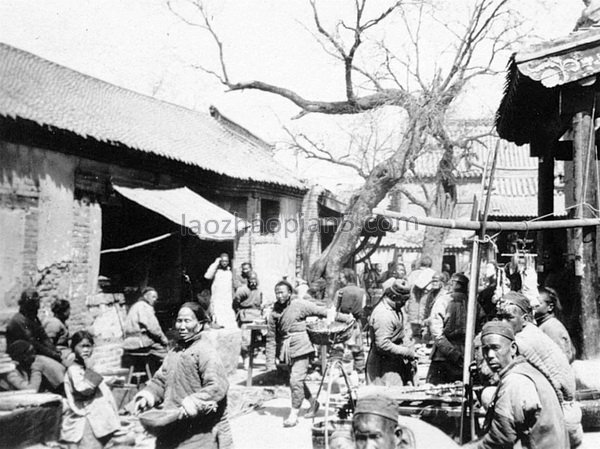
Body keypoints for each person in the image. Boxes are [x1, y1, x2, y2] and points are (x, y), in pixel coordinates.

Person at [133, 302, 232, 449]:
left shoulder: (205, 351)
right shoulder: (174, 352)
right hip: (171, 426)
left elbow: (217, 386)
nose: (182, 326)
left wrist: (194, 402)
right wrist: (148, 396)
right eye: (179, 321)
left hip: (198, 431)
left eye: (188, 321)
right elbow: (160, 381)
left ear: (200, 324)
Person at [466, 321, 568, 449]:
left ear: (513, 348)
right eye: (486, 349)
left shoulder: (514, 381)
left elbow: (500, 439)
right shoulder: (526, 369)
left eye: (496, 348)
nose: (490, 355)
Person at [498, 291, 582, 448]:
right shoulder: (532, 331)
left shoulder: (521, 341)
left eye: (508, 318)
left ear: (523, 319)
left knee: (494, 396)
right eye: (499, 317)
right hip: (568, 415)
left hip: (558, 420)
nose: (503, 323)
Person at [265, 280, 353, 427]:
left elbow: (323, 312)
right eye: (277, 293)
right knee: (295, 380)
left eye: (282, 292)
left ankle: (294, 414)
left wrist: (346, 318)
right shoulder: (274, 312)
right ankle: (313, 402)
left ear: (290, 293)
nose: (280, 296)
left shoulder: (300, 305)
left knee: (295, 380)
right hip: (286, 350)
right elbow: (271, 337)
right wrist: (269, 362)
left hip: (302, 346)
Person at [61, 330, 120, 449]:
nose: (86, 350)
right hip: (86, 416)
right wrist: (90, 369)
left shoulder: (84, 365)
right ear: (73, 348)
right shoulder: (74, 369)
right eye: (82, 346)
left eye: (89, 346)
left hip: (98, 413)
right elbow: (84, 389)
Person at [351, 393, 459, 449]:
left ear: (397, 435)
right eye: (361, 438)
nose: (368, 447)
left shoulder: (430, 445)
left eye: (375, 437)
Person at [366, 279, 416, 386]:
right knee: (387, 398)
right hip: (382, 365)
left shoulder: (396, 308)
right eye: (403, 300)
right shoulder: (384, 314)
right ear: (394, 297)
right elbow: (383, 344)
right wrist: (407, 352)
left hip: (393, 360)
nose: (404, 304)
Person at [427, 273, 468, 384]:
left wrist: (451, 352)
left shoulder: (442, 301)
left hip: (442, 355)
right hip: (465, 355)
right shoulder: (473, 303)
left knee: (434, 393)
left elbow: (437, 333)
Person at [6, 288, 62, 363]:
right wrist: (52, 354)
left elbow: (43, 337)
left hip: (34, 353)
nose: (37, 308)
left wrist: (54, 349)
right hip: (22, 356)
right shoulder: (19, 320)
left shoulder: (33, 318)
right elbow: (33, 342)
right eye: (33, 304)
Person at [0, 340, 65, 394]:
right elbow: (32, 390)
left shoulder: (35, 363)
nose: (34, 355)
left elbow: (33, 389)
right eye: (31, 353)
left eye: (33, 351)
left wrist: (36, 369)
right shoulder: (11, 371)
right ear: (22, 357)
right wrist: (36, 370)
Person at [335, 268, 367, 376]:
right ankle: (360, 373)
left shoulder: (340, 292)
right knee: (358, 350)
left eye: (341, 278)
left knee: (340, 349)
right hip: (356, 324)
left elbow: (335, 308)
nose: (340, 280)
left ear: (347, 278)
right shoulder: (362, 292)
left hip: (343, 324)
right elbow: (363, 306)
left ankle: (340, 373)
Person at [535, 287, 575, 363]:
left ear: (550, 307)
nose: (533, 306)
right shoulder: (544, 324)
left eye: (538, 304)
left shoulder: (551, 327)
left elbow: (561, 357)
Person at [123, 286, 168, 351]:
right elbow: (153, 328)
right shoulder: (145, 306)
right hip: (141, 341)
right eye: (153, 297)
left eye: (156, 298)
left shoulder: (136, 305)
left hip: (129, 342)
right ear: (146, 296)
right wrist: (164, 340)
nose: (155, 300)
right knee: (166, 354)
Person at [232, 271, 263, 363]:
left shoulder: (259, 290)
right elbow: (235, 304)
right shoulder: (242, 290)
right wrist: (240, 312)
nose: (253, 282)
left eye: (255, 280)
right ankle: (245, 357)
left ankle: (254, 356)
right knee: (246, 340)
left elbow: (260, 302)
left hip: (257, 317)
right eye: (251, 280)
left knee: (258, 338)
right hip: (245, 317)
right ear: (248, 280)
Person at [205, 253, 237, 329]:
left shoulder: (230, 272)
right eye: (222, 261)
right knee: (218, 315)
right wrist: (216, 263)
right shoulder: (216, 271)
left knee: (228, 318)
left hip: (227, 298)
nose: (224, 263)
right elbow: (207, 276)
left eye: (226, 261)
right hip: (217, 298)